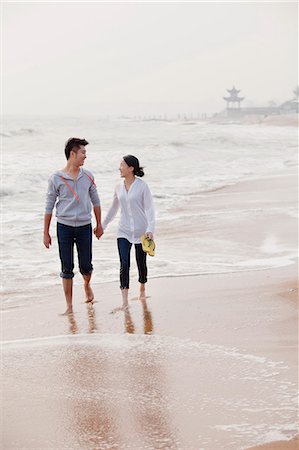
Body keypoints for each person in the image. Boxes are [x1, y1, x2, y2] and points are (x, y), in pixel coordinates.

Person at [43, 137, 103, 315]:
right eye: (83, 152)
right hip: (64, 227)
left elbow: (96, 202)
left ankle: (86, 284)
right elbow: (49, 206)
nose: (85, 156)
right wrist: (45, 233)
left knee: (86, 265)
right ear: (72, 154)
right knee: (66, 267)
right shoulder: (56, 178)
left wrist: (99, 224)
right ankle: (69, 306)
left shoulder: (88, 176)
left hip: (85, 226)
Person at [102, 154, 155, 311]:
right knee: (124, 264)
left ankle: (142, 289)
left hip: (141, 232)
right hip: (123, 231)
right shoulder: (118, 187)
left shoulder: (142, 186)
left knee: (141, 263)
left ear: (131, 168)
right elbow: (113, 208)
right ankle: (125, 301)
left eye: (122, 165)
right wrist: (102, 226)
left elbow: (150, 208)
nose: (120, 168)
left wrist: (150, 229)